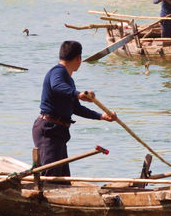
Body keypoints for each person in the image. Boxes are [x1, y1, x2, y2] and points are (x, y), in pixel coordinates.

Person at [33, 40, 115, 178]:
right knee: (50, 178)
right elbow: (56, 85)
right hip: (49, 131)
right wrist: (78, 94)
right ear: (79, 58)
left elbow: (76, 109)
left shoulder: (69, 80)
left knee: (62, 178)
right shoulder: (58, 72)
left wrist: (101, 116)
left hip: (58, 132)